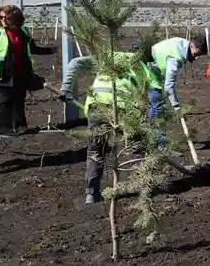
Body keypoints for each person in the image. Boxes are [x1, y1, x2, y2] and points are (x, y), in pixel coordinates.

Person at [62, 49, 149, 203]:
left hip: (97, 107)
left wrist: (66, 87)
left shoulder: (107, 56)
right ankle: (143, 191)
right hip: (124, 109)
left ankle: (91, 194)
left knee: (95, 151)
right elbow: (142, 98)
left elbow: (75, 63)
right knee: (136, 148)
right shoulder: (143, 66)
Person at [0, 6, 53, 137]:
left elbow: (33, 48)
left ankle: (20, 126)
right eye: (1, 17)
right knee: (5, 101)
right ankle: (3, 129)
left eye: (7, 17)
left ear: (16, 18)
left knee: (19, 100)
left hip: (22, 72)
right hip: (2, 74)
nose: (3, 20)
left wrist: (51, 50)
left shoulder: (24, 32)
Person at [148, 35, 208, 116]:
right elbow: (169, 86)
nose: (196, 58)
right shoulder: (175, 60)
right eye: (197, 54)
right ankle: (153, 126)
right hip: (148, 67)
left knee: (155, 100)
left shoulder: (182, 42)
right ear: (192, 45)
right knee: (157, 102)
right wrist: (177, 107)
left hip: (153, 62)